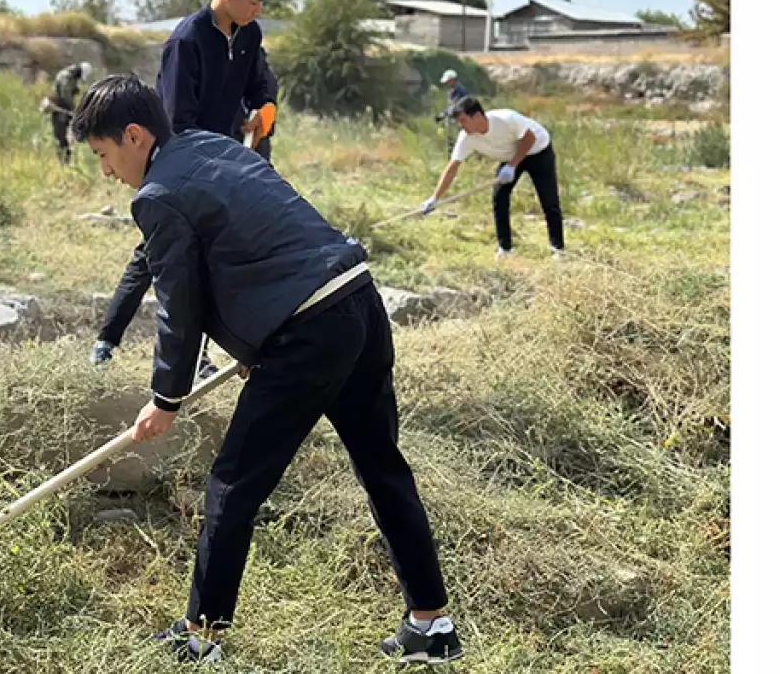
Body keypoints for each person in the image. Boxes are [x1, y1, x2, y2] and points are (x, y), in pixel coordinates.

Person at [71, 73, 463, 666]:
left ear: (133, 135)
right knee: (383, 466)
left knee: (232, 486)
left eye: (103, 155)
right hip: (355, 297)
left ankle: (201, 638)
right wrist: (256, 347)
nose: (106, 171)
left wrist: (166, 397)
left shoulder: (156, 196)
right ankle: (432, 626)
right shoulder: (215, 145)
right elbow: (259, 245)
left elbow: (181, 305)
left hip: (307, 329)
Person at [90, 0, 279, 371]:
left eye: (263, 2)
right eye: (253, 0)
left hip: (225, 163)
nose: (258, 9)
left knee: (209, 256)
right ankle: (108, 343)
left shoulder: (249, 34)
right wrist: (208, 164)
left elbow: (261, 85)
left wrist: (265, 109)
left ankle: (205, 353)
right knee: (158, 255)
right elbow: (177, 119)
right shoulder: (187, 41)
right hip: (184, 164)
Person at [422, 96, 565, 260]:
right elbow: (452, 167)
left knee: (549, 201)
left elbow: (529, 138)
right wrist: (435, 197)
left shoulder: (506, 119)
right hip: (511, 157)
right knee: (499, 198)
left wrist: (512, 166)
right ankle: (505, 250)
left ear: (477, 116)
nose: (461, 126)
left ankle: (558, 249)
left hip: (538, 151)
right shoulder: (467, 137)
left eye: (463, 120)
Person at [48, 61, 93, 165]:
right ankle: (63, 163)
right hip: (60, 111)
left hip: (65, 111)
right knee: (61, 137)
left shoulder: (71, 77)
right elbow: (65, 96)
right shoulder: (66, 77)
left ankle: (66, 162)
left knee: (67, 138)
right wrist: (74, 109)